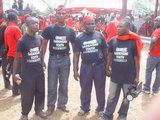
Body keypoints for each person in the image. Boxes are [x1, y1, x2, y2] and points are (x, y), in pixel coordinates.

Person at [99, 19, 143, 120]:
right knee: (111, 96)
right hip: (115, 74)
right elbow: (110, 55)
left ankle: (123, 114)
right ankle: (107, 114)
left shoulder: (133, 42)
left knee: (127, 97)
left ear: (128, 28)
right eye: (117, 26)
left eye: (120, 26)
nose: (117, 28)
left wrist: (137, 76)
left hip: (128, 75)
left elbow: (137, 60)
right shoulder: (113, 40)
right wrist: (107, 68)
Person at [41, 5, 76, 116]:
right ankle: (50, 106)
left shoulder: (70, 30)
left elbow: (74, 48)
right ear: (55, 16)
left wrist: (76, 63)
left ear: (66, 15)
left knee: (64, 84)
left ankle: (61, 104)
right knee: (51, 84)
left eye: (63, 13)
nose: (61, 15)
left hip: (65, 59)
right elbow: (44, 45)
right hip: (53, 59)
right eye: (59, 14)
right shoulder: (49, 29)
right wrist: (42, 60)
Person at [12, 17, 47, 120]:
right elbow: (16, 59)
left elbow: (40, 51)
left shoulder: (39, 38)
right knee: (27, 95)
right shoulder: (22, 41)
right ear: (27, 25)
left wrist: (42, 61)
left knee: (40, 91)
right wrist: (14, 74)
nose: (37, 25)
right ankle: (25, 113)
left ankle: (39, 110)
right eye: (33, 23)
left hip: (39, 71)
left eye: (38, 23)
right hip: (27, 73)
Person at [73, 16, 107, 116]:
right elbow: (76, 55)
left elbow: (105, 51)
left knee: (100, 88)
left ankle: (100, 108)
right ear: (84, 25)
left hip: (99, 66)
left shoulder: (100, 36)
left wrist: (108, 66)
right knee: (85, 88)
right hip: (86, 67)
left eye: (92, 23)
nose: (91, 25)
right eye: (88, 24)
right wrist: (75, 70)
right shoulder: (79, 38)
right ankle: (84, 107)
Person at [4, 12, 22, 96]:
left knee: (14, 73)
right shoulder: (15, 28)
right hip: (18, 55)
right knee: (19, 73)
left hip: (10, 54)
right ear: (15, 18)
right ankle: (17, 90)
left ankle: (15, 90)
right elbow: (21, 42)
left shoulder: (7, 28)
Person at [143, 16, 160, 95]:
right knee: (159, 73)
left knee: (149, 71)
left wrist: (150, 49)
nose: (155, 22)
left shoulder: (157, 31)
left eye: (157, 21)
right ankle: (155, 90)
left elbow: (153, 41)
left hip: (154, 55)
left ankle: (147, 88)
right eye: (155, 20)